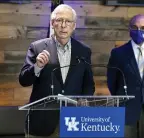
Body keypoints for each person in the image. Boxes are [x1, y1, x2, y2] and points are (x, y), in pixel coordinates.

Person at [19, 4, 95, 137]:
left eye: (68, 21)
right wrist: (37, 66)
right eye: (59, 20)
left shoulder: (84, 51)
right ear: (52, 23)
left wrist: (85, 98)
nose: (63, 25)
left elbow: (88, 83)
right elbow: (24, 80)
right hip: (41, 122)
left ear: (74, 25)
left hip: (73, 122)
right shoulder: (37, 47)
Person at [107, 14, 144, 138]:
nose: (139, 31)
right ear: (129, 30)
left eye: (143, 28)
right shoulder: (118, 53)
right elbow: (112, 82)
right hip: (125, 110)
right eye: (135, 27)